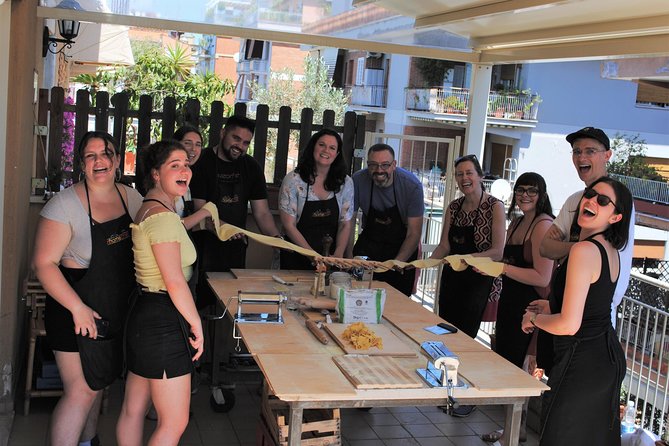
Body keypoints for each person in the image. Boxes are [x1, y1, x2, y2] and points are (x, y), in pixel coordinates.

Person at [32, 131, 143, 446]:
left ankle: (88, 441)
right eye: (91, 155)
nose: (99, 161)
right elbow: (43, 264)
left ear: (117, 160)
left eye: (106, 153)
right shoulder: (64, 205)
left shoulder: (131, 198)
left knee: (98, 383)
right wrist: (78, 309)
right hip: (72, 311)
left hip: (112, 310)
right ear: (82, 164)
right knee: (80, 391)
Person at [522, 176, 632, 446]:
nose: (592, 200)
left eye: (603, 200)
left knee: (559, 437)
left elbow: (570, 325)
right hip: (605, 356)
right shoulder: (609, 250)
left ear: (616, 217)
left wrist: (535, 319)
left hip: (582, 360)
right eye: (591, 194)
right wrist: (552, 306)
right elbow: (593, 303)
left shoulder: (584, 250)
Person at [116, 140, 212, 445]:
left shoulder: (151, 209)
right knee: (174, 421)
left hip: (145, 314)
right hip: (163, 321)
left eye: (186, 164)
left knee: (133, 410)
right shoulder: (162, 218)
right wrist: (196, 323)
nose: (185, 169)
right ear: (156, 174)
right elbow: (174, 282)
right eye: (175, 165)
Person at [480, 172, 554, 444]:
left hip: (530, 308)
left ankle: (513, 433)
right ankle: (511, 429)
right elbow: (502, 260)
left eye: (531, 191)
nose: (524, 195)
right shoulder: (517, 222)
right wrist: (482, 264)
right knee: (509, 366)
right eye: (520, 190)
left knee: (522, 370)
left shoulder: (543, 225)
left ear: (542, 195)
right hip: (509, 304)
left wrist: (502, 269)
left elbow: (542, 277)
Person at [541, 126, 635, 327]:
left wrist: (578, 249)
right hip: (560, 306)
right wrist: (581, 249)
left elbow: (620, 261)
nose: (582, 157)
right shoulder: (574, 200)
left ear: (607, 155)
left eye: (590, 151)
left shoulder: (620, 202)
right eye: (577, 151)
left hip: (594, 315)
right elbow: (545, 247)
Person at [190, 115, 281, 273]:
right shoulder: (202, 161)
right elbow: (200, 209)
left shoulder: (252, 167)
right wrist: (223, 227)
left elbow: (262, 212)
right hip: (203, 247)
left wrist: (276, 240)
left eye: (246, 143)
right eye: (236, 138)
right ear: (223, 133)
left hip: (236, 248)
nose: (240, 146)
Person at [430, 154, 506, 338]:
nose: (464, 178)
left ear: (480, 176)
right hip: (451, 281)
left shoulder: (495, 206)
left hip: (477, 283)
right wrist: (420, 264)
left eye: (469, 173)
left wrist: (465, 259)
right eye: (459, 174)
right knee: (444, 331)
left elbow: (497, 252)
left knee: (465, 336)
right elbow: (444, 246)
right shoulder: (453, 207)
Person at [352, 144, 424, 296]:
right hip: (370, 244)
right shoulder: (358, 180)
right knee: (359, 295)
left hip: (401, 247)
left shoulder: (412, 186)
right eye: (373, 165)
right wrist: (347, 259)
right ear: (367, 165)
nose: (379, 170)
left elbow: (414, 233)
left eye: (385, 165)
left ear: (394, 165)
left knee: (397, 303)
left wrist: (396, 264)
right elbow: (348, 223)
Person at [279, 129, 354, 268]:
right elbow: (289, 225)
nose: (326, 150)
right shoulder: (293, 180)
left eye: (332, 148)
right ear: (313, 147)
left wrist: (338, 254)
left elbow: (345, 223)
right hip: (295, 257)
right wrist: (312, 255)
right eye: (322, 145)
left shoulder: (345, 182)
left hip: (329, 261)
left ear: (337, 154)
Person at [173, 124, 203, 218]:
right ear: (175, 144)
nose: (193, 149)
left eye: (198, 144)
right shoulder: (169, 177)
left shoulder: (187, 174)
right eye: (187, 143)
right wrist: (205, 212)